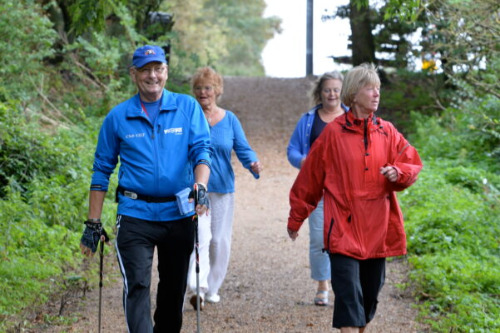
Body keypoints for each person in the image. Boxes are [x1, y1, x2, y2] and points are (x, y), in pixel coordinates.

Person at [79, 45, 212, 333]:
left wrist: (200, 185)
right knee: (137, 284)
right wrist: (93, 222)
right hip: (135, 214)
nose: (153, 75)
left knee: (173, 290)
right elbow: (101, 170)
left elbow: (202, 150)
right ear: (134, 74)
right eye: (145, 70)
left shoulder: (187, 107)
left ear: (166, 71)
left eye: (158, 69)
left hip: (178, 214)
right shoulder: (118, 117)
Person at [287, 63, 423, 332]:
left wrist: (399, 173)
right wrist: (296, 218)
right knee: (348, 300)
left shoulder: (388, 131)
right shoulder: (332, 135)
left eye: (378, 88)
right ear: (353, 93)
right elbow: (309, 180)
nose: (376, 94)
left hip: (377, 230)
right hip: (343, 232)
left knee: (368, 302)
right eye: (370, 88)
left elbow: (412, 163)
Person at [186, 66, 262, 310]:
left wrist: (252, 164)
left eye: (207, 88)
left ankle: (213, 287)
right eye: (198, 88)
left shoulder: (229, 119)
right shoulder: (189, 116)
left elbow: (242, 147)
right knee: (200, 238)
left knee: (219, 240)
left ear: (217, 90)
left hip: (222, 189)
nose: (203, 92)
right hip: (196, 189)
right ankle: (198, 287)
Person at [287, 71, 348, 306]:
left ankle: (344, 285)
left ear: (342, 93)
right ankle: (323, 284)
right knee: (320, 237)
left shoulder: (352, 118)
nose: (331, 94)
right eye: (327, 89)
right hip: (319, 191)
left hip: (347, 191)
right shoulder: (309, 120)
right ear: (319, 92)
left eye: (336, 90)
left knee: (345, 238)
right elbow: (292, 150)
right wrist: (303, 161)